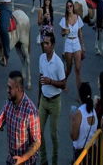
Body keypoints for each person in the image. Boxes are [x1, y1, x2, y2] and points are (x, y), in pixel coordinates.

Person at [38, 32, 65, 165]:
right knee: (39, 132)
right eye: (43, 43)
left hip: (55, 102)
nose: (45, 45)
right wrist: (39, 100)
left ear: (53, 45)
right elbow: (41, 79)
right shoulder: (41, 58)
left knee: (53, 135)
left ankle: (54, 161)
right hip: (43, 101)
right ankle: (44, 160)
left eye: (47, 43)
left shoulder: (58, 63)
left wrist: (51, 82)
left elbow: (63, 84)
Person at [60, 0, 86, 94]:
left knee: (78, 69)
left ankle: (80, 93)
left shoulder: (78, 18)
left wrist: (83, 46)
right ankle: (64, 81)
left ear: (73, 7)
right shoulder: (64, 19)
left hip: (76, 42)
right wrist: (64, 32)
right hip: (68, 43)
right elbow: (61, 33)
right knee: (69, 68)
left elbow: (80, 33)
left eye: (71, 6)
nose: (69, 8)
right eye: (68, 7)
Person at [70, 82, 98, 162]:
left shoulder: (79, 113)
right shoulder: (93, 110)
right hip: (92, 151)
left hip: (81, 154)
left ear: (80, 95)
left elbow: (73, 137)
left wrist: (72, 120)